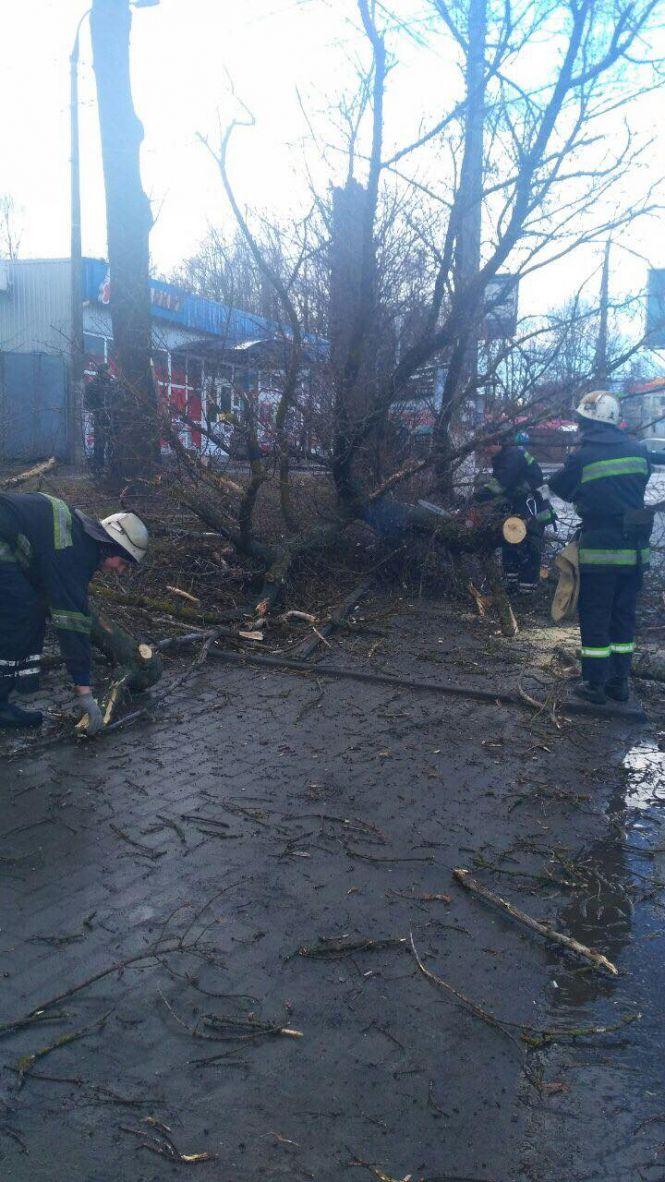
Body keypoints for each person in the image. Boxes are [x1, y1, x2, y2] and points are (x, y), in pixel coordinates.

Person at [0, 492, 148, 730]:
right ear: (111, 548)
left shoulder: (80, 537)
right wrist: (85, 693)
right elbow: (71, 623)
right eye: (122, 563)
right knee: (21, 615)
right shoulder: (75, 554)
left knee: (28, 608)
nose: (120, 571)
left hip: (8, 541)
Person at [548, 390, 652, 705]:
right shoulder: (639, 451)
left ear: (588, 421)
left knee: (595, 614)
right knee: (623, 616)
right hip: (634, 551)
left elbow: (559, 487)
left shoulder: (582, 456)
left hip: (600, 550)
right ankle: (619, 684)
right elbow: (640, 484)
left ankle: (594, 685)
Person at [474, 429, 555, 592]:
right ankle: (512, 584)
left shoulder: (512, 456)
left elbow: (499, 485)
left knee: (527, 544)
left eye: (486, 445)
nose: (484, 450)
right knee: (510, 540)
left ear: (498, 443)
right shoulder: (504, 456)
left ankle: (526, 590)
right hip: (522, 503)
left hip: (533, 506)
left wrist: (476, 497)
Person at [84, 362, 116, 474]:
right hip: (101, 419)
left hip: (112, 419)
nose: (111, 372)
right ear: (104, 372)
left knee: (112, 443)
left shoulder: (112, 385)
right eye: (109, 370)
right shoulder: (93, 386)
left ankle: (111, 466)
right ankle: (99, 467)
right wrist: (98, 412)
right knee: (100, 444)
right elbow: (87, 404)